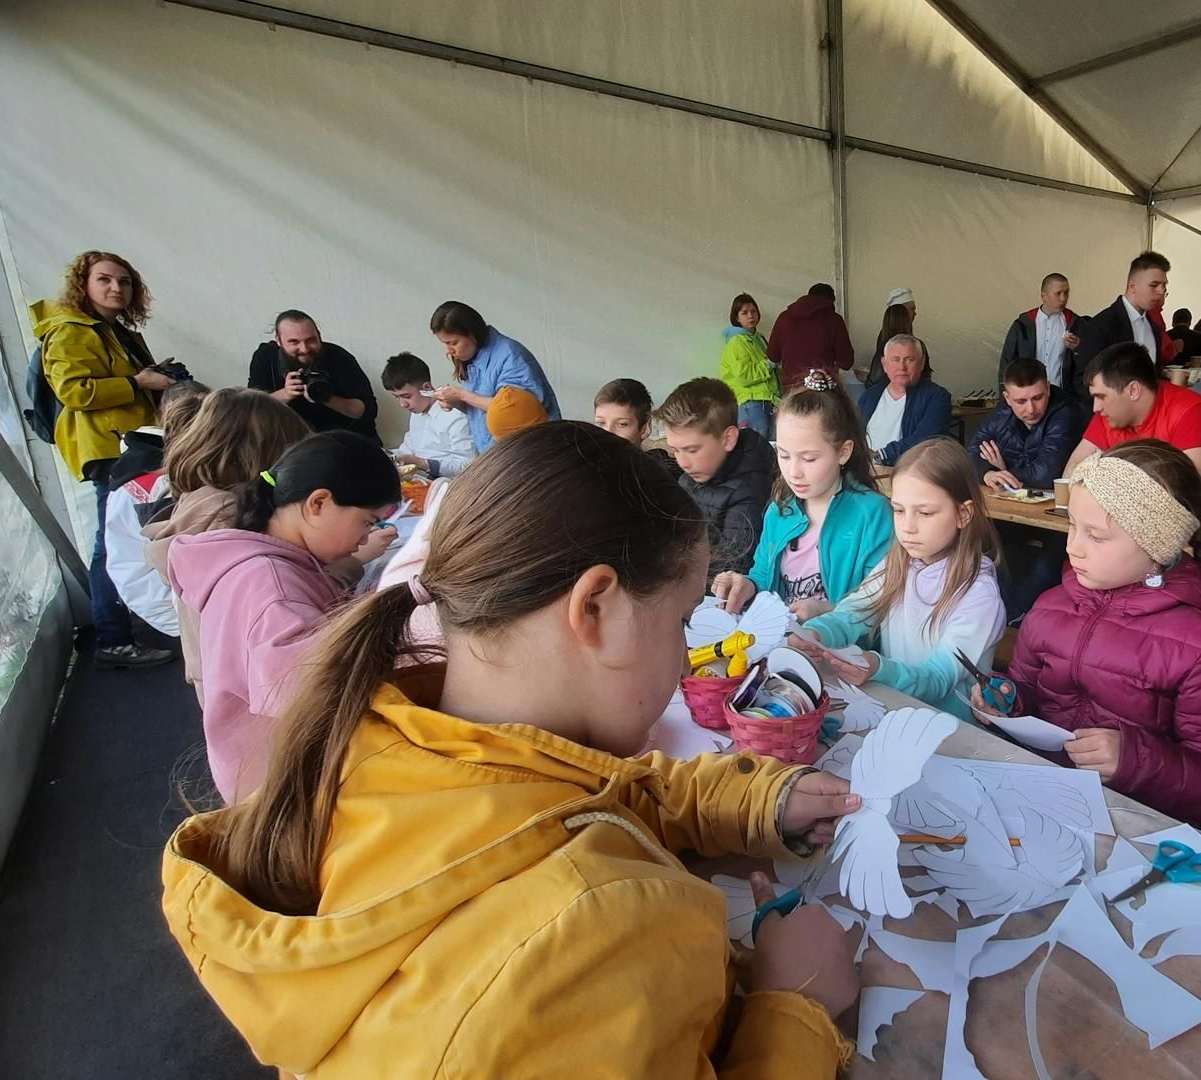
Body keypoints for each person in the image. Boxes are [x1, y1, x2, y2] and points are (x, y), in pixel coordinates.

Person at [161, 423, 859, 1077]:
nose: (683, 654)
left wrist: (741, 795)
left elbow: (563, 800)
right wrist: (794, 1007)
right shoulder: (599, 934)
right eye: (680, 622)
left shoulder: (381, 739)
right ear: (596, 610)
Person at [986, 442, 1201, 820]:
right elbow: (1027, 688)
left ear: (1156, 545)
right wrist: (1008, 698)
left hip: (1132, 819)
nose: (1072, 548)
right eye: (1072, 526)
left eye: (1095, 536)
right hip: (1041, 798)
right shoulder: (1050, 607)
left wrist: (1134, 760)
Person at [165, 431, 401, 803]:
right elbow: (313, 694)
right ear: (318, 503)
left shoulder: (268, 562)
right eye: (368, 522)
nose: (366, 536)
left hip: (261, 772)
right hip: (282, 788)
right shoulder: (272, 586)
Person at [32, 250, 178, 669]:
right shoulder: (69, 331)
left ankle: (129, 626)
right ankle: (114, 638)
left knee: (130, 536)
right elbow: (74, 392)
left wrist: (157, 377)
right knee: (111, 544)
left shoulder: (114, 330)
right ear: (84, 284)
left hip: (133, 445)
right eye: (105, 280)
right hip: (108, 450)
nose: (117, 288)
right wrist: (137, 381)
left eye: (125, 281)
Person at [792, 438, 1003, 718]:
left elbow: (939, 679)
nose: (907, 527)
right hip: (894, 710)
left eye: (925, 513)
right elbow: (855, 613)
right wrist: (816, 633)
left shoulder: (978, 593)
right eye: (899, 510)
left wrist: (881, 668)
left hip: (950, 731)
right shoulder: (899, 562)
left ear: (963, 514)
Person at [142, 388, 318, 702]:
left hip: (224, 678)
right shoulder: (225, 516)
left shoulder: (202, 502)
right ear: (261, 455)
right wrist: (345, 566)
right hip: (251, 689)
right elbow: (276, 585)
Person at [713, 372, 892, 621]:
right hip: (781, 648)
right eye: (784, 455)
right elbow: (764, 576)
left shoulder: (873, 514)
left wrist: (830, 613)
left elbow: (881, 604)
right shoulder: (779, 511)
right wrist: (747, 586)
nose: (793, 472)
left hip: (840, 653)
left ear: (843, 452)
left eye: (809, 458)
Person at [1067, 343, 1201, 517]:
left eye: (1101, 396)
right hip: (1135, 528)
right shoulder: (1110, 414)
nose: (1095, 408)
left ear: (1133, 390)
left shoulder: (1192, 412)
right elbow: (1072, 470)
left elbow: (1180, 494)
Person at [104, 382, 210, 638]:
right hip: (176, 603)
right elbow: (182, 554)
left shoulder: (153, 462)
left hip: (175, 599)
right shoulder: (155, 482)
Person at [655, 377, 774, 578]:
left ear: (728, 439)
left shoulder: (750, 489)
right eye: (675, 450)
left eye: (691, 450)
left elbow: (735, 564)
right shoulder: (688, 479)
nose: (682, 462)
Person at [427, 300, 562, 452]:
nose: (448, 350)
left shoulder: (510, 355)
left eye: (453, 342)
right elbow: (484, 412)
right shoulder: (473, 357)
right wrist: (456, 401)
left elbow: (514, 411)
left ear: (471, 334)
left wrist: (462, 395)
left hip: (530, 453)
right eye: (444, 344)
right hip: (497, 452)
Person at [247, 310, 379, 442]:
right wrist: (286, 394)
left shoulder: (339, 357)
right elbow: (251, 412)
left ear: (319, 336)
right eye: (294, 342)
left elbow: (367, 411)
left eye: (311, 340)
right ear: (278, 341)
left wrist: (326, 398)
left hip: (342, 441)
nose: (304, 349)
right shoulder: (266, 358)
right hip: (287, 444)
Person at [1069, 252, 1180, 401]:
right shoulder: (1101, 325)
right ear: (1132, 286)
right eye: (1154, 285)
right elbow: (1083, 379)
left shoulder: (1153, 328)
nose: (1161, 291)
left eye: (1164, 285)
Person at [971, 358, 1082, 492]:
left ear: (1048, 388)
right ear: (1007, 398)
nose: (1031, 409)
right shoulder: (1001, 414)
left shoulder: (1066, 414)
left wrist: (1002, 471)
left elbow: (1044, 476)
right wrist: (988, 474)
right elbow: (969, 455)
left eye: (1037, 398)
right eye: (1021, 401)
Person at [380, 352, 476, 478]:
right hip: (421, 481)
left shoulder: (455, 414)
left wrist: (424, 464)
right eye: (397, 397)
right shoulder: (417, 413)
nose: (403, 404)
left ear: (426, 387)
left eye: (406, 396)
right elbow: (406, 452)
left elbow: (468, 465)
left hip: (452, 486)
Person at [860, 336, 951, 466]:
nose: (902, 367)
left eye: (909, 360)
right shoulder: (870, 396)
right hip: (866, 472)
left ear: (922, 363)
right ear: (884, 364)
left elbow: (925, 441)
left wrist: (880, 456)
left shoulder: (937, 397)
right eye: (895, 360)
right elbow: (854, 434)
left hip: (909, 474)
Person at [998, 273, 1081, 388]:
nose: (1063, 298)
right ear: (1044, 296)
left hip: (1063, 396)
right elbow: (1007, 362)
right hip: (1028, 395)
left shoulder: (1075, 324)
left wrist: (1078, 349)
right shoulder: (1023, 325)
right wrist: (1005, 395)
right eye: (1058, 293)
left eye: (1066, 293)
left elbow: (1086, 363)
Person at [768, 283, 854, 390]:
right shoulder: (834, 320)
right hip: (822, 389)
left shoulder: (783, 318)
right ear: (830, 301)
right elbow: (846, 362)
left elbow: (772, 356)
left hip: (791, 389)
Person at [720, 293, 780, 438]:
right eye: (744, 313)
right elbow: (745, 376)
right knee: (756, 450)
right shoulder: (736, 342)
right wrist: (770, 364)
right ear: (736, 318)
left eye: (753, 311)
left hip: (768, 401)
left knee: (771, 450)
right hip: (751, 403)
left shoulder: (759, 339)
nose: (750, 316)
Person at [593, 377, 679, 475]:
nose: (607, 433)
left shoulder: (661, 474)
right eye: (600, 423)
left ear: (645, 429)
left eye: (622, 424)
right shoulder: (582, 466)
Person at [866, 299, 917, 386]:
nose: (915, 313)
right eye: (912, 309)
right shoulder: (917, 346)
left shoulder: (884, 343)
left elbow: (874, 379)